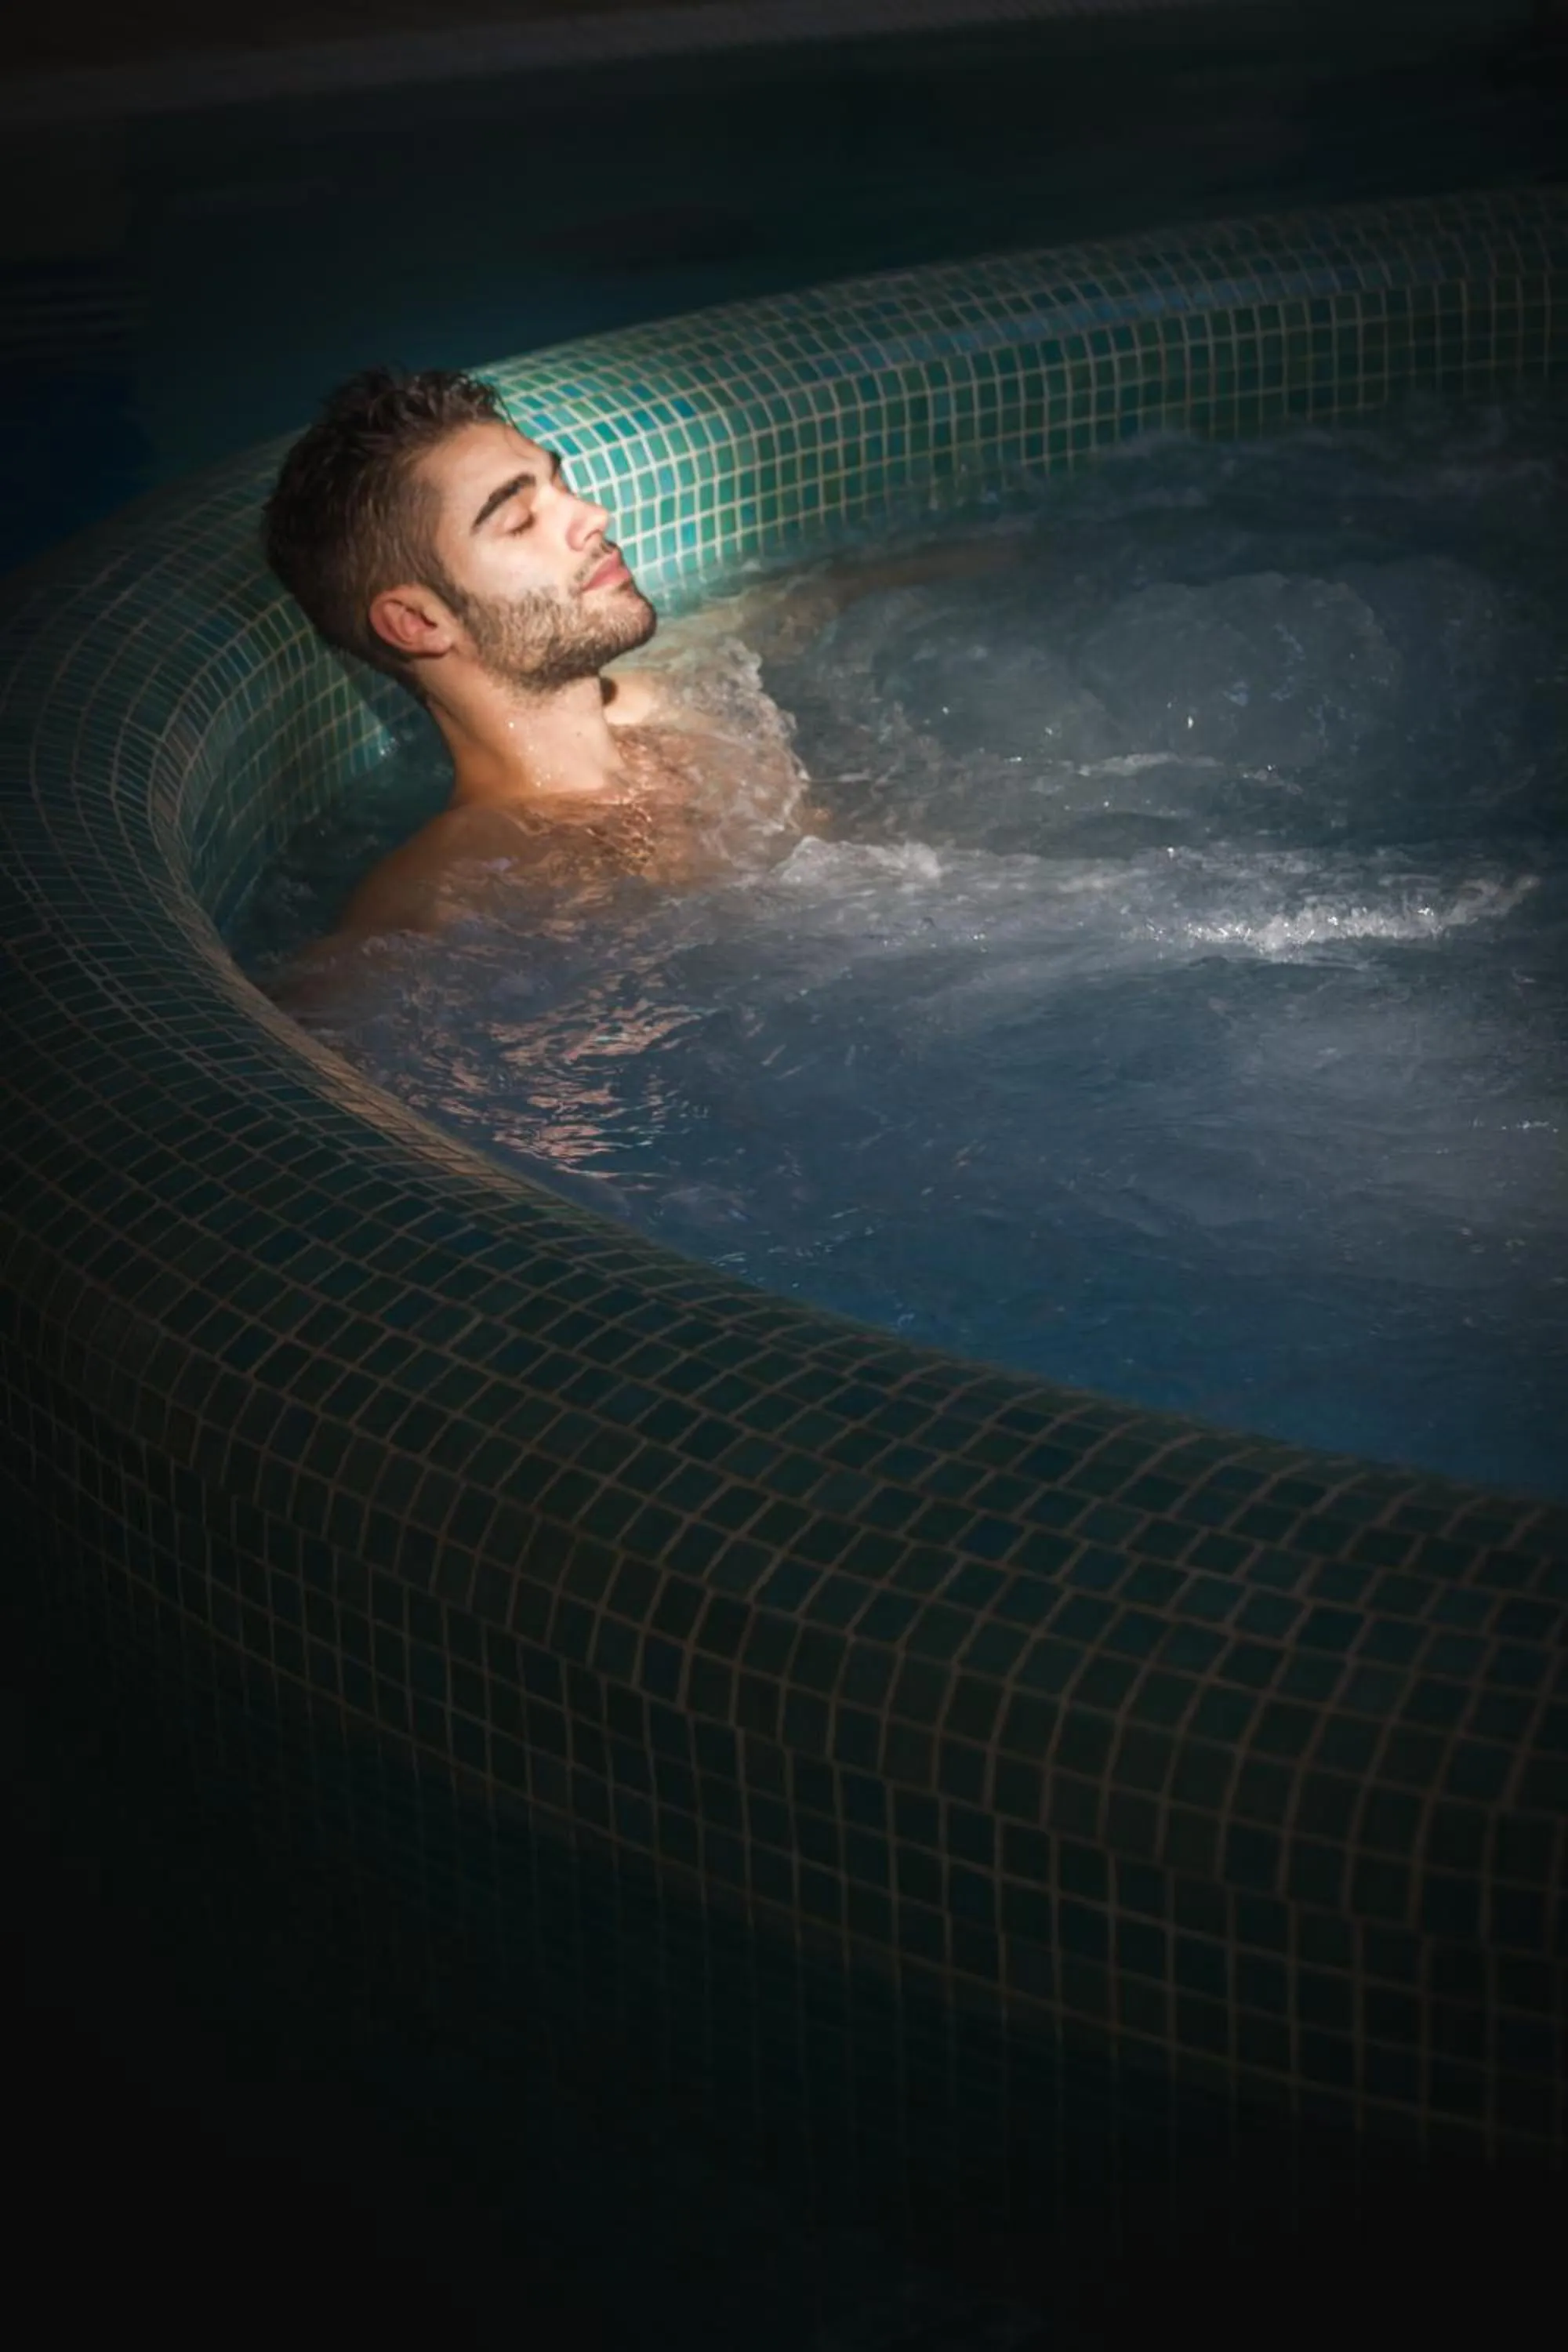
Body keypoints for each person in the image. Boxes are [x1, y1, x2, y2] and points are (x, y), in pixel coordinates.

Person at [263, 366, 1015, 941]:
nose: (594, 515)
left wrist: (976, 561)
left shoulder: (682, 701)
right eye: (521, 518)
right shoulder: (450, 898)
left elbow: (797, 608)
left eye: (560, 484)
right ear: (419, 623)